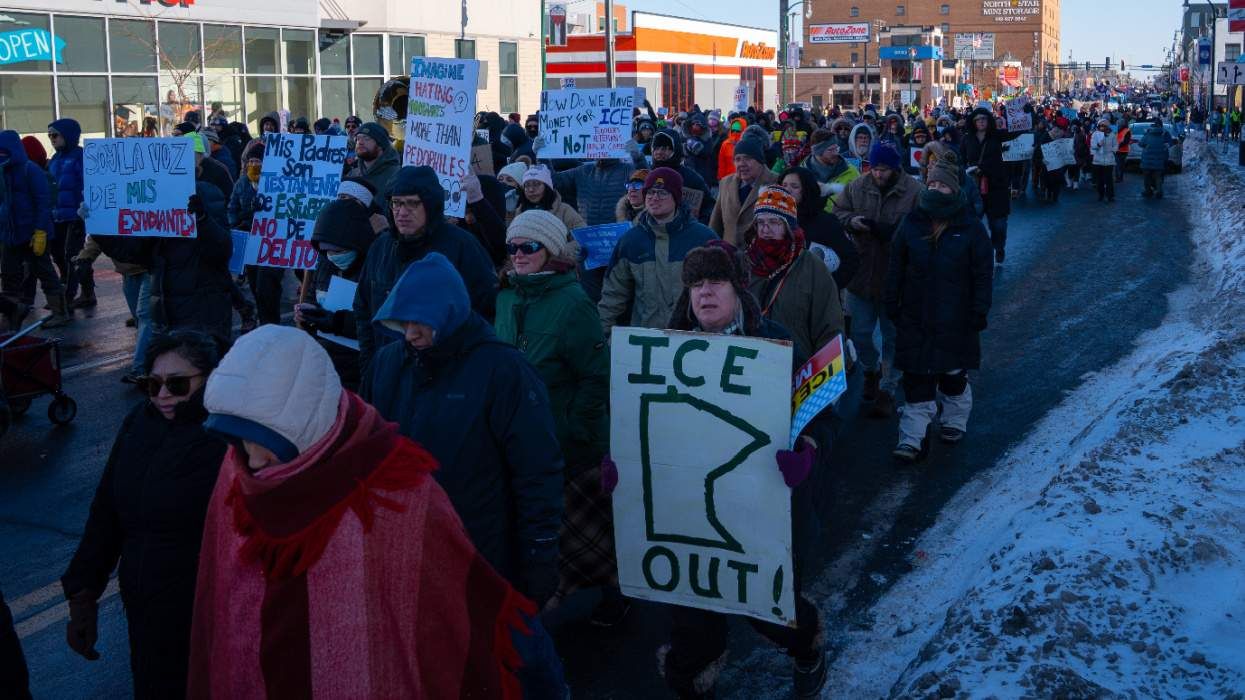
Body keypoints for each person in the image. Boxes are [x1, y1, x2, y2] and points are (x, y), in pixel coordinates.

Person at [191, 325, 564, 698]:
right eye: (240, 440)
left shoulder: (397, 494)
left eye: (266, 444)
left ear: (307, 425)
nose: (253, 461)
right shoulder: (238, 475)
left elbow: (454, 608)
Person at [628, 240, 829, 698]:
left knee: (770, 611)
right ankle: (691, 682)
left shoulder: (775, 344)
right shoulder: (658, 351)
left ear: (739, 289)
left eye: (715, 281)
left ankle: (808, 645)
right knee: (691, 634)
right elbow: (634, 421)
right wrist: (623, 464)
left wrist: (809, 451)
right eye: (696, 283)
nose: (705, 293)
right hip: (686, 517)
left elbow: (819, 416)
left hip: (760, 511)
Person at [361, 254, 564, 606]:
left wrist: (538, 552)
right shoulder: (388, 364)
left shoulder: (503, 370)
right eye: (402, 320)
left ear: (450, 313)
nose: (410, 333)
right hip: (403, 546)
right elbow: (364, 450)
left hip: (480, 551)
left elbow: (536, 469)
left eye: (421, 321)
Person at [61, 331, 228, 698]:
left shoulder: (228, 436)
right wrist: (82, 595)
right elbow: (107, 511)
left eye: (177, 383)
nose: (163, 395)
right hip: (145, 607)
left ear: (210, 379)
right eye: (152, 385)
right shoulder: (139, 422)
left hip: (207, 614)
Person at [494, 210, 625, 626]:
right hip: (518, 438)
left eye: (529, 246)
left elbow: (594, 376)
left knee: (589, 537)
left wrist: (575, 428)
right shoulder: (505, 296)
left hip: (566, 441)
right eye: (513, 246)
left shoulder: (573, 303)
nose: (519, 254)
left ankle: (612, 600)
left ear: (549, 250)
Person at [885, 154, 993, 463]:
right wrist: (892, 301)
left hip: (955, 318)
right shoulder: (912, 221)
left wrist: (979, 310)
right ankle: (912, 439)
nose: (933, 189)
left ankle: (954, 421)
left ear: (954, 189)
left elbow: (982, 274)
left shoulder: (970, 227)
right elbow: (896, 266)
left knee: (952, 377)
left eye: (940, 185)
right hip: (916, 315)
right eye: (930, 183)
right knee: (916, 380)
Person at [353, 165, 497, 371]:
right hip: (389, 373)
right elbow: (363, 308)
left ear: (430, 205)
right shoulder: (380, 248)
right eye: (396, 203)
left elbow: (485, 311)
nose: (402, 212)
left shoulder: (462, 246)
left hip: (445, 376)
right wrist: (370, 366)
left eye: (412, 204)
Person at [833, 142, 921, 419]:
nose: (878, 174)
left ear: (895, 168)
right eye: (874, 168)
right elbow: (838, 212)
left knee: (892, 336)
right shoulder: (858, 186)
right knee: (859, 333)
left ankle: (888, 387)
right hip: (862, 275)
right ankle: (870, 370)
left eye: (883, 169)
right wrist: (852, 221)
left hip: (897, 278)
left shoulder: (914, 191)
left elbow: (922, 227)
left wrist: (896, 233)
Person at [598, 167, 716, 335]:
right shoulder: (630, 241)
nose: (654, 198)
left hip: (692, 339)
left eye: (662, 193)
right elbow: (613, 296)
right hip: (645, 340)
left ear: (676, 197)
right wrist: (603, 338)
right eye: (650, 192)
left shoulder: (703, 238)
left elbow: (721, 290)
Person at [746, 185, 845, 359]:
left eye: (774, 222)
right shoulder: (744, 262)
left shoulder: (813, 267)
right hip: (748, 362)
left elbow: (830, 326)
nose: (765, 229)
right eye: (760, 222)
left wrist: (824, 367)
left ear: (788, 226)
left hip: (796, 365)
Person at [294, 198, 374, 390]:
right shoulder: (324, 263)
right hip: (323, 362)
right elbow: (314, 295)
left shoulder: (375, 268)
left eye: (338, 250)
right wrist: (307, 314)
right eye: (326, 250)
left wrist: (336, 322)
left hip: (359, 368)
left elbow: (376, 323)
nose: (332, 256)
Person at [0, 129, 67, 327]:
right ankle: (13, 310)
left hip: (33, 233)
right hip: (11, 233)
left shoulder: (31, 171)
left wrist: (40, 231)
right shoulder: (3, 172)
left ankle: (60, 312)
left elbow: (43, 202)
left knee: (44, 271)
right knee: (9, 273)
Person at [779, 167, 859, 292]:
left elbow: (850, 260)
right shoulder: (775, 219)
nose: (787, 190)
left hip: (816, 298)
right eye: (784, 185)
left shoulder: (825, 222)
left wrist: (827, 287)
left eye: (794, 186)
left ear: (806, 190)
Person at [960, 107, 1015, 264]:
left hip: (996, 186)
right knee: (971, 222)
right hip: (974, 187)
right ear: (973, 121)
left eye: (984, 119)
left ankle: (999, 246)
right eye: (977, 119)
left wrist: (1027, 112)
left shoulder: (997, 136)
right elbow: (961, 159)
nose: (981, 122)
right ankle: (975, 254)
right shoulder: (967, 139)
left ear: (989, 120)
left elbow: (1018, 130)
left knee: (998, 224)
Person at [47, 119, 93, 311]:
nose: (52, 139)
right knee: (57, 254)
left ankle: (73, 295)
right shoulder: (55, 159)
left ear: (67, 135)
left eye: (55, 135)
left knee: (73, 255)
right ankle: (79, 292)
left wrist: (84, 209)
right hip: (57, 214)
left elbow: (87, 184)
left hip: (75, 215)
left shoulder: (80, 156)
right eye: (50, 135)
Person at [709, 136, 777, 246]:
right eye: (737, 159)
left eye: (747, 158)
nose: (741, 164)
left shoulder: (776, 182)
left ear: (760, 161)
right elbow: (716, 223)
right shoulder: (726, 183)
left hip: (760, 257)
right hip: (728, 256)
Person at [346, 122, 402, 214]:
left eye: (366, 138)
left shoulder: (397, 176)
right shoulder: (353, 175)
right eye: (358, 139)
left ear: (380, 145)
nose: (360, 142)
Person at [519, 165, 586, 233]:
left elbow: (583, 237)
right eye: (527, 185)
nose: (531, 190)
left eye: (536, 184)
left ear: (548, 187)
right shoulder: (519, 211)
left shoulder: (565, 211)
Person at [1139, 118, 1173, 199]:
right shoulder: (1165, 133)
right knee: (1159, 176)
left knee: (1147, 176)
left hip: (1147, 160)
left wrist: (1146, 147)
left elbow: (1141, 143)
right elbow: (1169, 143)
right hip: (1160, 159)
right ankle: (1159, 191)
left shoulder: (1148, 134)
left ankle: (1148, 191)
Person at [1090, 119, 1116, 204]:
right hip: (1098, 160)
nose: (1102, 128)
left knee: (1109, 179)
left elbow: (1115, 145)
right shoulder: (1095, 134)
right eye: (1101, 126)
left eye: (1104, 126)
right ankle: (1101, 194)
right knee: (1100, 180)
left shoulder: (1112, 135)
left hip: (1109, 160)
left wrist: (1113, 150)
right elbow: (1092, 146)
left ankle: (1110, 196)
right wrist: (1098, 145)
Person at [1114, 116, 1131, 183]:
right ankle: (1118, 177)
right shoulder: (1116, 130)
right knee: (1118, 165)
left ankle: (1119, 177)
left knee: (1119, 165)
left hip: (1123, 150)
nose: (1117, 124)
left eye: (1118, 123)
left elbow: (1126, 141)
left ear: (1122, 124)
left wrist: (1118, 146)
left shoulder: (1126, 131)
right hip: (1117, 150)